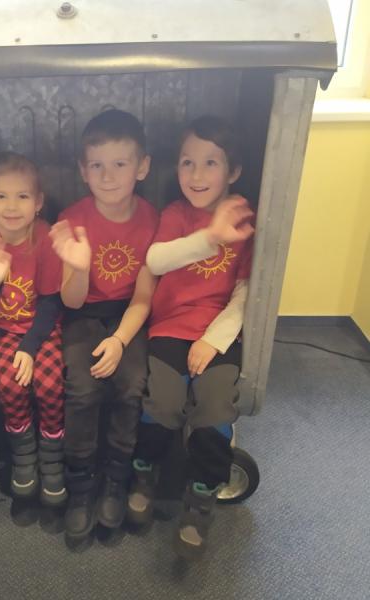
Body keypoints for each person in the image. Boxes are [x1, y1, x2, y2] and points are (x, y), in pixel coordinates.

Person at [127, 115, 255, 559]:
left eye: (210, 163)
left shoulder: (245, 219)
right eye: (187, 162)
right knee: (162, 402)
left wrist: (213, 341)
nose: (196, 174)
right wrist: (209, 237)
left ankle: (200, 501)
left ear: (233, 171)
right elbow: (157, 260)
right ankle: (144, 474)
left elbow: (246, 292)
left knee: (215, 408)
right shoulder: (176, 214)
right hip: (169, 327)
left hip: (217, 334)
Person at [49, 109, 158, 539]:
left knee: (132, 385)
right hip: (82, 313)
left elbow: (144, 297)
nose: (108, 176)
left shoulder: (152, 219)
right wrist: (78, 267)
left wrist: (119, 341)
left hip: (128, 315)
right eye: (97, 165)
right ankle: (80, 484)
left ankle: (116, 477)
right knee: (81, 386)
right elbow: (71, 300)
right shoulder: (73, 220)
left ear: (142, 167)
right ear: (83, 170)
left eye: (120, 164)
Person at [0, 152, 66, 507]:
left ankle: (51, 457)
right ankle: (24, 456)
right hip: (4, 329)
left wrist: (30, 347)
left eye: (22, 196)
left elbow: (50, 302)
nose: (11, 206)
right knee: (9, 384)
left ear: (38, 202)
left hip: (40, 328)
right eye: (1, 196)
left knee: (50, 383)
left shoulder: (45, 237)